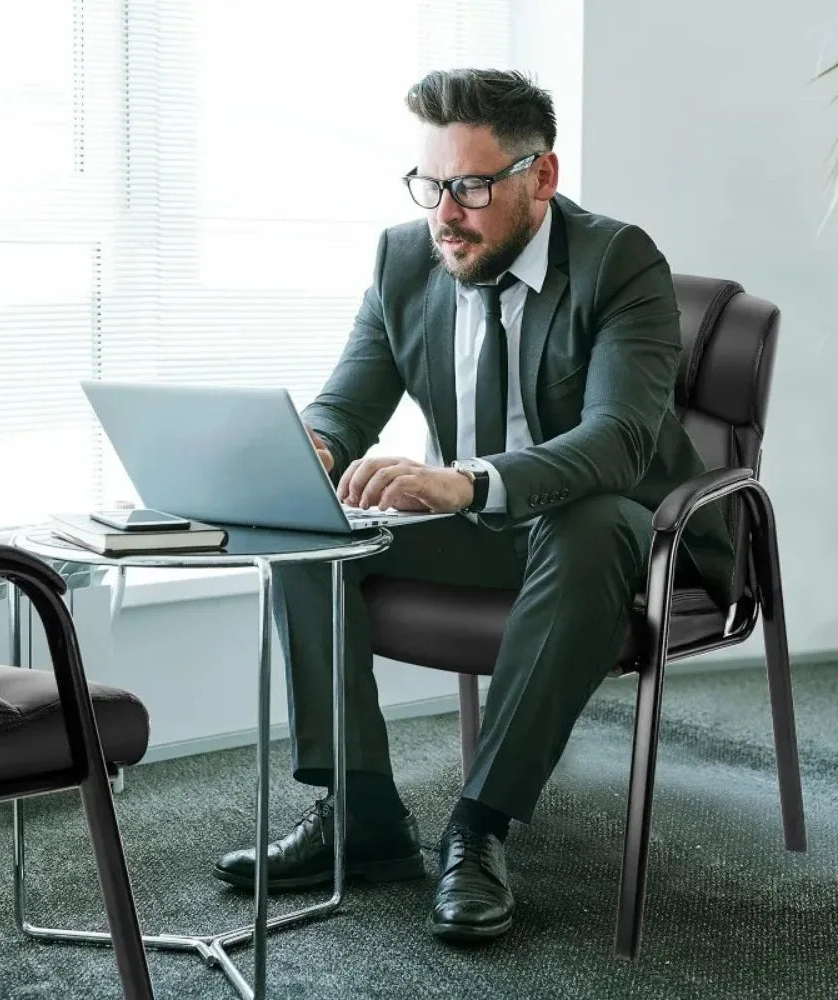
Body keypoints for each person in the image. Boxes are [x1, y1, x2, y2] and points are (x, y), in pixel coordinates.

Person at [213, 68, 735, 942]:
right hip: (485, 528)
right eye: (431, 184)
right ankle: (364, 817)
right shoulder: (405, 257)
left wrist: (469, 479)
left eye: (472, 187)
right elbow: (348, 403)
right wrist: (314, 449)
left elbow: (620, 442)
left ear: (543, 177)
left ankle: (480, 826)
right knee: (303, 529)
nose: (445, 212)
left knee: (589, 518)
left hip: (629, 535)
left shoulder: (619, 262)